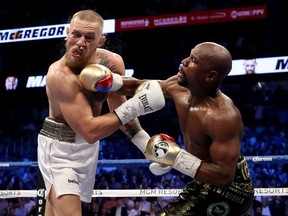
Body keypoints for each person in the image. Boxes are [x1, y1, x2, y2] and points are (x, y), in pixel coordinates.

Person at [92, 42, 255, 215]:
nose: (184, 61)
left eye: (193, 60)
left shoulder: (223, 117)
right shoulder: (177, 87)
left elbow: (224, 177)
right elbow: (136, 86)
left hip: (231, 191)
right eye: (188, 55)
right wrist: (107, 80)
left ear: (210, 76)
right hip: (202, 182)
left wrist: (174, 157)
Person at [37, 9, 165, 216]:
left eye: (89, 37)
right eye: (76, 34)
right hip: (59, 148)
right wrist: (140, 104)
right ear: (67, 33)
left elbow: (120, 112)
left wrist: (147, 146)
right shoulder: (59, 75)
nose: (80, 42)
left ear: (101, 41)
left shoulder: (111, 63)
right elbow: (89, 131)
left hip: (88, 149)